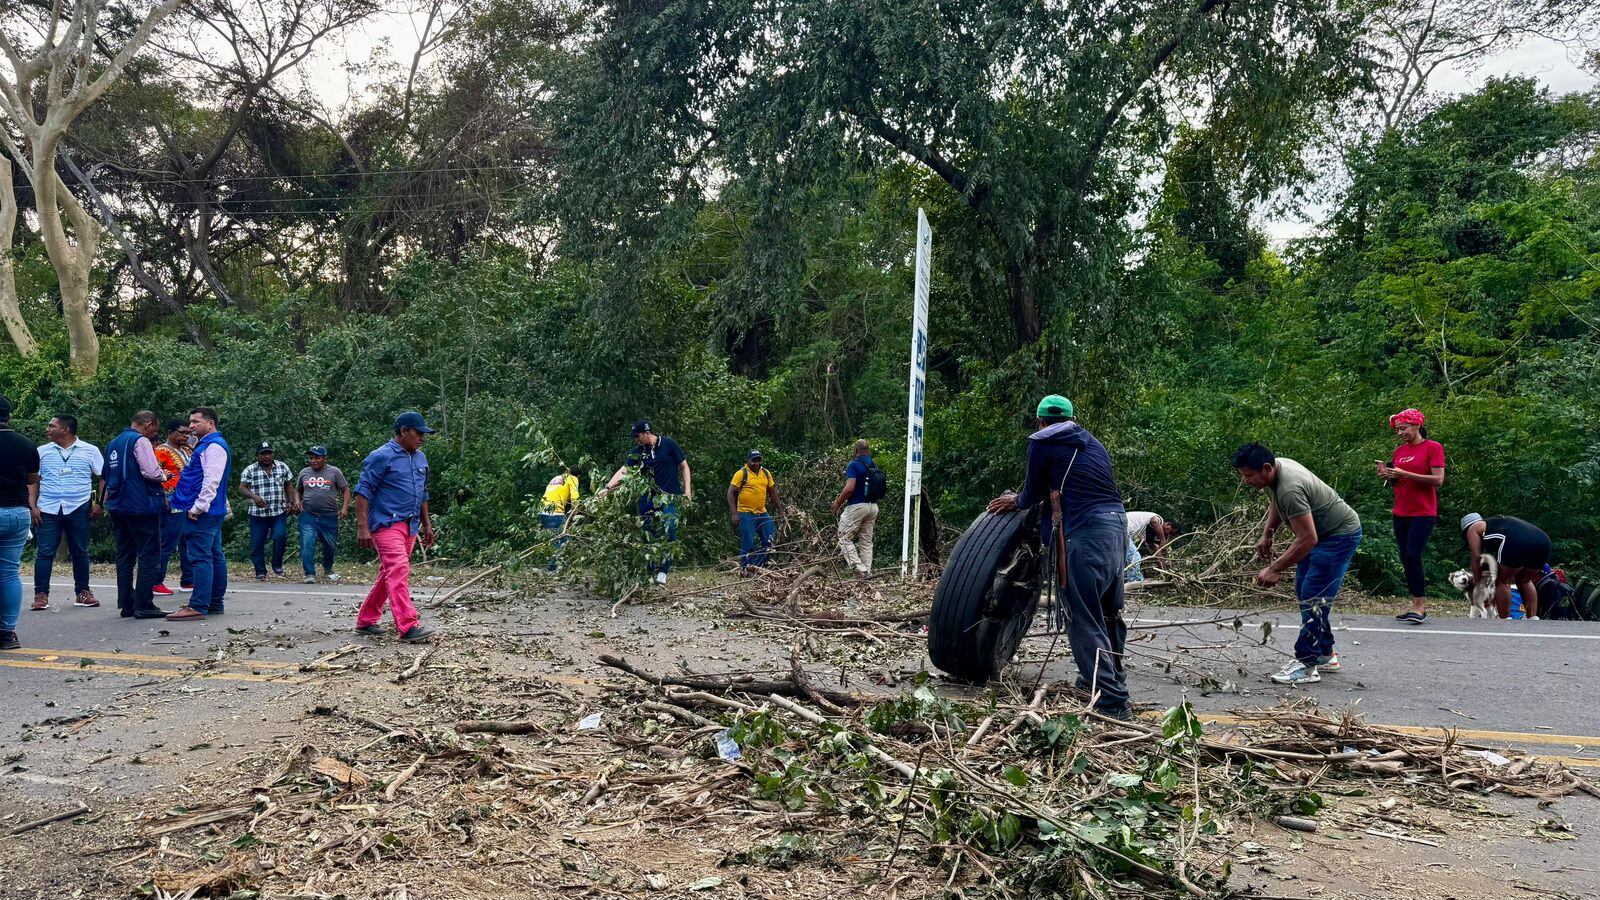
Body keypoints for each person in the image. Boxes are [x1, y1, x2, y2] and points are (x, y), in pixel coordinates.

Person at [986, 395, 1132, 719]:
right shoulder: (1094, 443)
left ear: (1040, 421)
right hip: (1117, 527)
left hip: (1084, 532)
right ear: (1072, 418)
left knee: (1082, 616)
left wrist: (1017, 500)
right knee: (1108, 611)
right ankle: (1100, 680)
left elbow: (1032, 492)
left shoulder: (1040, 442)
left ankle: (1112, 701)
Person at [1233, 444, 1363, 686]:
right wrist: (1268, 533)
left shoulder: (1290, 487)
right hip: (1321, 535)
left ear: (1266, 468)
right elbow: (1276, 502)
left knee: (1315, 598)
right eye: (1243, 476)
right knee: (1306, 592)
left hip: (1338, 536)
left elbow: (1308, 538)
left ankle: (1306, 664)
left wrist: (1274, 569)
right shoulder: (1275, 473)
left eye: (1248, 476)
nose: (1245, 481)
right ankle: (1325, 654)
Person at [353, 412, 439, 642]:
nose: (422, 437)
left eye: (423, 434)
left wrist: (427, 524)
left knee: (389, 572)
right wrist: (362, 527)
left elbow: (423, 493)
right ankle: (408, 626)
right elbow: (362, 492)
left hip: (409, 525)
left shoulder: (420, 458)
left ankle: (366, 619)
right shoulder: (380, 457)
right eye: (417, 433)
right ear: (403, 432)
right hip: (385, 522)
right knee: (399, 569)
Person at [1376, 409, 1445, 623]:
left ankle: (1420, 607)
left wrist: (1404, 473)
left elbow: (1438, 480)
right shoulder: (1399, 452)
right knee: (1406, 557)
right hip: (1401, 511)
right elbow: (1398, 481)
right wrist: (1389, 475)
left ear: (1416, 426)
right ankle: (1415, 603)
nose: (1400, 433)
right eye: (1397, 430)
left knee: (1414, 554)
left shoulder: (1433, 448)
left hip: (1423, 511)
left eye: (1403, 428)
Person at [30, 414, 104, 610]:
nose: (47, 429)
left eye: (51, 426)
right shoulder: (41, 452)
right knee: (45, 552)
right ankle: (41, 595)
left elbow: (103, 477)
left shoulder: (90, 451)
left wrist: (100, 503)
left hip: (79, 507)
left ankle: (83, 592)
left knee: (80, 551)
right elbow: (33, 481)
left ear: (66, 430)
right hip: (48, 508)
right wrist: (33, 506)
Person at [605, 421, 691, 586]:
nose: (636, 440)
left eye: (637, 436)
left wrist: (687, 492)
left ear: (646, 433)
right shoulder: (637, 453)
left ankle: (663, 571)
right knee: (647, 533)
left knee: (669, 528)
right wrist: (607, 487)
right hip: (647, 499)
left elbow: (684, 467)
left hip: (670, 497)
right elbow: (624, 471)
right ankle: (649, 569)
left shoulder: (668, 444)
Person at [102, 411, 171, 619]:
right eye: (154, 430)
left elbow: (106, 474)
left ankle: (126, 603)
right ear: (148, 425)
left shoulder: (114, 443)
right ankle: (144, 604)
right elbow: (150, 471)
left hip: (118, 505)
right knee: (149, 554)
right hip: (141, 505)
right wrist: (164, 475)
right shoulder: (140, 441)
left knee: (125, 555)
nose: (153, 435)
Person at [166, 407, 232, 621]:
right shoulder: (206, 445)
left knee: (200, 557)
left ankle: (198, 605)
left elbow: (211, 480)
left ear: (211, 423)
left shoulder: (213, 447)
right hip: (208, 510)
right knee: (213, 555)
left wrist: (198, 507)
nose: (191, 426)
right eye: (190, 421)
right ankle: (213, 603)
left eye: (196, 422)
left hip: (203, 512)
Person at [0, 396, 39, 650]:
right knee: (9, 574)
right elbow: (32, 477)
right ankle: (7, 633)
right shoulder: (25, 444)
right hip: (17, 512)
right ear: (9, 416)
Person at [1461, 513, 1551, 620]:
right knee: (1524, 580)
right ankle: (1532, 618)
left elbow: (1477, 559)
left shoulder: (1473, 528)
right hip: (1544, 542)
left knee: (1500, 580)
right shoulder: (1497, 524)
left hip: (1517, 541)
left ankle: (1506, 620)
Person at [238, 443, 298, 581]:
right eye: (263, 454)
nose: (266, 456)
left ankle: (277, 564)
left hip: (278, 511)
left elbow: (288, 485)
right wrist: (254, 497)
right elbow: (242, 488)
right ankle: (260, 571)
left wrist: (290, 501)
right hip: (258, 513)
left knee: (280, 536)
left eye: (269, 453)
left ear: (273, 454)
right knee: (257, 543)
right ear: (257, 455)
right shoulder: (250, 470)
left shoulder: (282, 467)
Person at [296, 446, 350, 584]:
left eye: (317, 457)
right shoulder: (304, 472)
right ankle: (309, 573)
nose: (313, 460)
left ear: (325, 459)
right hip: (308, 515)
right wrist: (297, 501)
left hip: (329, 515)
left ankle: (327, 567)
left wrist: (344, 508)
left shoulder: (334, 472)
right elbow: (298, 490)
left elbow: (345, 490)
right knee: (307, 542)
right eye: (311, 458)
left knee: (329, 546)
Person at [152, 419, 194, 595]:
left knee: (187, 540)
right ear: (170, 433)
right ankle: (156, 581)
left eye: (187, 433)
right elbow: (154, 475)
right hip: (170, 500)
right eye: (182, 433)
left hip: (187, 500)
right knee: (168, 542)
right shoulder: (161, 451)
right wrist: (163, 496)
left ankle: (188, 580)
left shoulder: (186, 450)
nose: (186, 436)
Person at [830, 440, 879, 581]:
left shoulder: (854, 464)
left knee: (844, 538)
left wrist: (838, 503)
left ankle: (861, 570)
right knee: (866, 541)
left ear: (856, 450)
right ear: (868, 450)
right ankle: (867, 572)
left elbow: (850, 487)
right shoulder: (873, 464)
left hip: (857, 506)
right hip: (873, 507)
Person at [728, 450, 780, 574]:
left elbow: (773, 492)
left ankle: (757, 567)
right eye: (753, 460)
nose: (756, 463)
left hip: (762, 512)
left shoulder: (766, 473)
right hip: (746, 513)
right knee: (749, 543)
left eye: (758, 460)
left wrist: (781, 510)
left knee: (770, 540)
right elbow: (731, 493)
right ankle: (745, 569)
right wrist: (734, 513)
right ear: (748, 461)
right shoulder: (741, 473)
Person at [539, 466, 581, 572]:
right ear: (578, 476)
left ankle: (551, 566)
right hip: (555, 513)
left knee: (553, 541)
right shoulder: (573, 478)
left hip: (542, 512)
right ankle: (552, 569)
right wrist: (575, 511)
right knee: (563, 542)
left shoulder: (557, 478)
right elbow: (575, 497)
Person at [1123, 511, 1179, 582]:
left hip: (1118, 529)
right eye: (1169, 531)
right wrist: (1163, 540)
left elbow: (1157, 555)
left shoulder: (1148, 532)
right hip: (1122, 527)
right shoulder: (1157, 519)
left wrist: (1164, 572)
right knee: (1135, 557)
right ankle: (1135, 582)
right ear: (1168, 524)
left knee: (1119, 558)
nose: (1167, 534)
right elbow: (1154, 521)